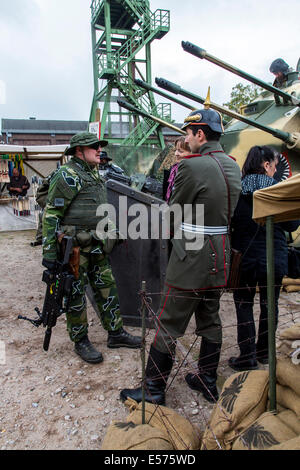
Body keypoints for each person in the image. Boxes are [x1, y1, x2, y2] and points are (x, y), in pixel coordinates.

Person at [120, 108, 241, 404]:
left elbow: (173, 214)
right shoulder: (233, 166)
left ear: (200, 134)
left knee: (168, 322)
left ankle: (153, 390)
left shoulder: (192, 167)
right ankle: (207, 380)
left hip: (191, 256)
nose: (186, 139)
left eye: (188, 133)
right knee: (210, 320)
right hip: (220, 254)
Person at [42, 132, 141, 364]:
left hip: (97, 244)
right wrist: (49, 252)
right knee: (75, 293)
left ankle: (115, 333)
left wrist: (114, 231)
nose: (99, 150)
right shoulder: (68, 175)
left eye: (99, 146)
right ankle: (80, 340)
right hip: (75, 249)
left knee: (107, 287)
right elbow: (51, 215)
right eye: (93, 147)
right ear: (79, 151)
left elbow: (100, 209)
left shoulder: (93, 174)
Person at [228, 145, 300, 371]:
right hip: (273, 255)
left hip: (245, 257)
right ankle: (264, 352)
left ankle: (247, 355)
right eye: (274, 166)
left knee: (244, 305)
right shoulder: (278, 192)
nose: (274, 171)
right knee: (270, 305)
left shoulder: (237, 190)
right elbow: (292, 224)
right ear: (266, 164)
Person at [165, 136, 191, 203]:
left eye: (180, 151)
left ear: (191, 152)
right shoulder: (172, 169)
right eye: (176, 150)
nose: (176, 154)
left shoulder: (192, 173)